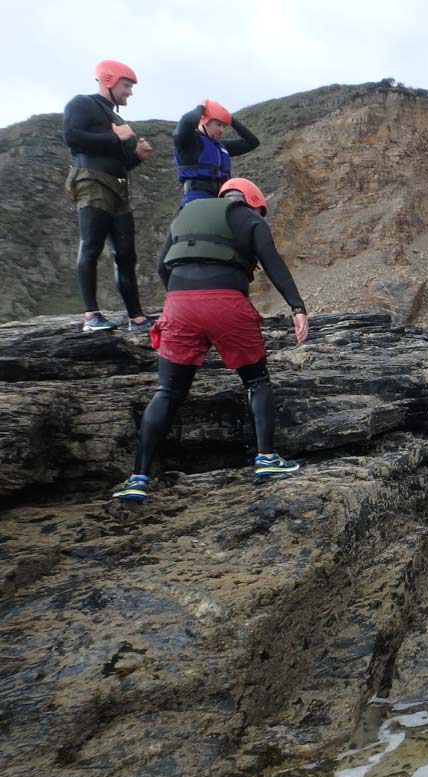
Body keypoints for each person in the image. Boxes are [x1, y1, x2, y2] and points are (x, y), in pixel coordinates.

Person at [112, 178, 309, 502]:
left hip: (178, 305)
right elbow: (274, 264)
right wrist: (297, 308)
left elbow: (163, 267)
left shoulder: (185, 215)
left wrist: (182, 296)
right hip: (226, 303)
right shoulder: (250, 218)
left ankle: (138, 477)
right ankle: (266, 460)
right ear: (252, 201)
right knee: (256, 381)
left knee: (168, 391)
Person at [62, 60, 153, 333]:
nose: (130, 93)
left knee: (126, 253)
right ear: (109, 80)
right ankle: (91, 316)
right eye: (127, 86)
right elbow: (72, 137)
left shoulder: (116, 119)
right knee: (91, 245)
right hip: (91, 180)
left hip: (118, 185)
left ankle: (136, 318)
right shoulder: (82, 104)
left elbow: (121, 163)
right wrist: (115, 137)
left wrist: (136, 157)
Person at [173, 99, 260, 206]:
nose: (222, 130)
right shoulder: (188, 142)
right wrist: (201, 106)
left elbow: (252, 142)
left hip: (222, 200)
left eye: (224, 126)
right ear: (204, 120)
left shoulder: (222, 147)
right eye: (218, 124)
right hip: (197, 200)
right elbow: (186, 123)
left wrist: (229, 118)